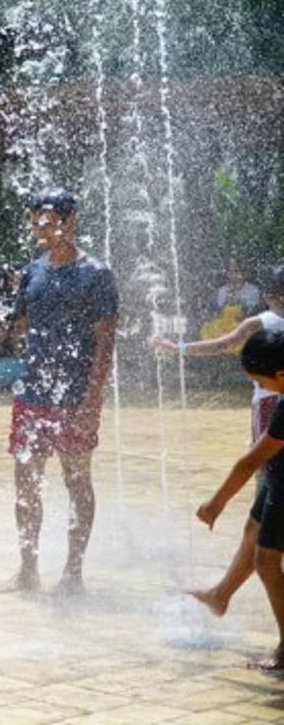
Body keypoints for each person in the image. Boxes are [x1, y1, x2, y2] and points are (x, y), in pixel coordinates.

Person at [0, 190, 118, 595]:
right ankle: (28, 568)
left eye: (46, 222)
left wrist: (92, 400)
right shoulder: (32, 272)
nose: (39, 229)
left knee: (77, 480)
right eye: (35, 222)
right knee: (25, 482)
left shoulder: (97, 275)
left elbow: (104, 343)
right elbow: (23, 326)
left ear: (71, 222)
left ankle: (73, 572)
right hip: (33, 392)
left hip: (75, 396)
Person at [154, 264, 284, 616]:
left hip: (271, 408)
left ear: (273, 296)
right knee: (261, 517)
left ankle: (226, 594)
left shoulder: (265, 322)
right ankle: (222, 594)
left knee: (270, 496)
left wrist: (175, 347)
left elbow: (223, 344)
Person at [197, 329, 284, 671]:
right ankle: (220, 596)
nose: (262, 389)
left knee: (266, 560)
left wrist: (215, 503)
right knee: (253, 529)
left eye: (262, 382)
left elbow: (249, 461)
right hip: (278, 475)